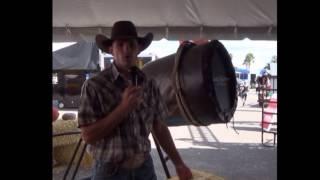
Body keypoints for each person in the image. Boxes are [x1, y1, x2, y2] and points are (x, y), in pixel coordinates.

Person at [78, 21, 192, 180]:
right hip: (110, 172)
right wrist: (123, 109)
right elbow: (88, 136)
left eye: (131, 44)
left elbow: (159, 127)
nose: (126, 49)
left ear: (138, 49)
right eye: (120, 44)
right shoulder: (94, 86)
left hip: (144, 168)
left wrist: (178, 163)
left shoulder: (149, 83)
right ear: (111, 50)